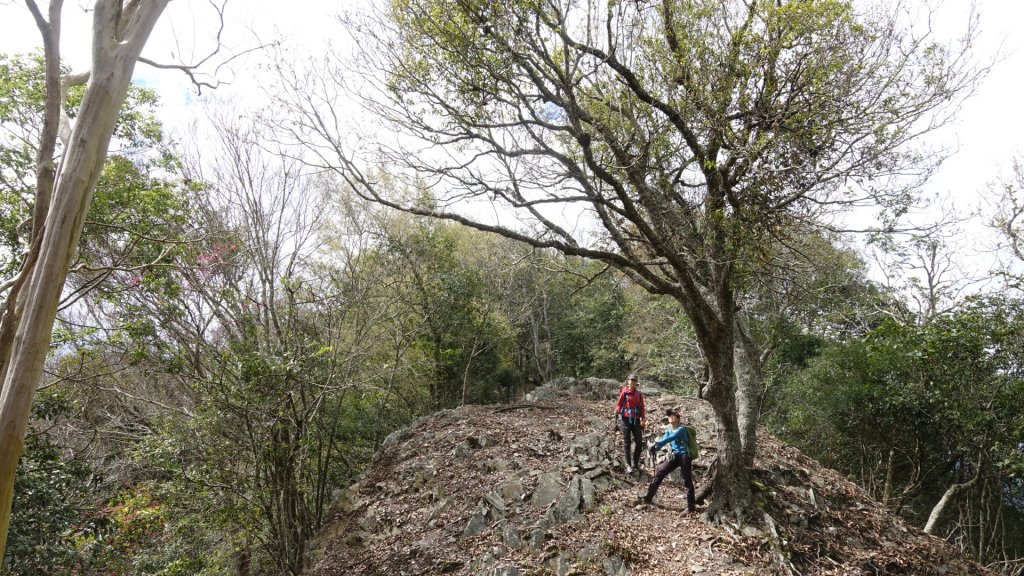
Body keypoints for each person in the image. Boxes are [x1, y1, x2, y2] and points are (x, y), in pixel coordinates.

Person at [642, 408, 695, 512]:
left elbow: (669, 438)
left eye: (673, 415)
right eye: (669, 415)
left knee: (686, 479)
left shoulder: (681, 429)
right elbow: (663, 441)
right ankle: (648, 497)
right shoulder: (669, 429)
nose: (670, 417)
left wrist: (656, 443)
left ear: (678, 418)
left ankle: (691, 506)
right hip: (674, 456)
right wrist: (655, 448)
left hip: (684, 455)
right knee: (660, 472)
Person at [614, 374, 646, 474]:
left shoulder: (639, 394)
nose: (632, 383)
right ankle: (628, 464)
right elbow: (619, 403)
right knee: (627, 441)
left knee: (639, 442)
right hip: (625, 418)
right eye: (630, 381)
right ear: (628, 382)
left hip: (636, 419)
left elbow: (642, 407)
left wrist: (643, 418)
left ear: (636, 383)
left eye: (634, 381)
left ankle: (635, 463)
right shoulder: (624, 391)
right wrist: (617, 410)